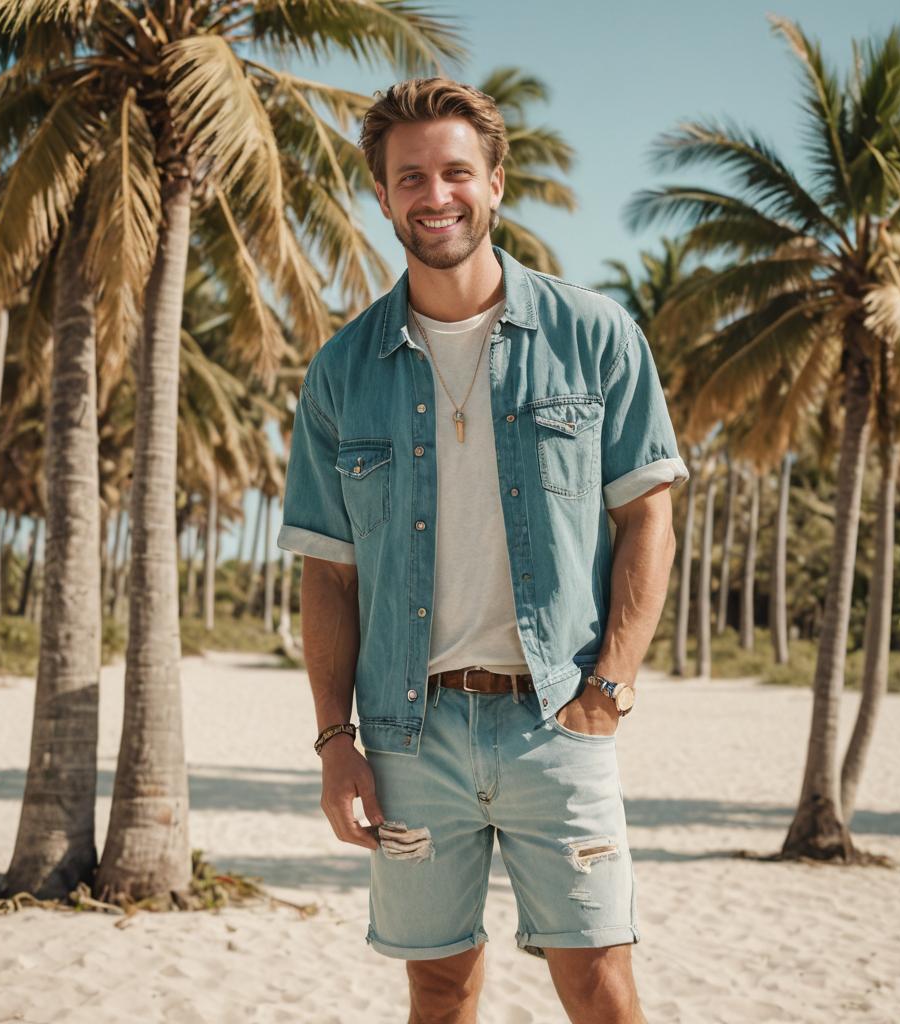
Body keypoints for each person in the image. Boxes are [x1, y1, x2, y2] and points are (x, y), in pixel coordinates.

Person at [278, 77, 689, 1024]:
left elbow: (647, 519)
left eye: (456, 172)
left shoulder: (596, 337)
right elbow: (327, 575)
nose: (436, 196)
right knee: (439, 984)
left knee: (601, 983)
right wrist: (337, 743)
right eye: (410, 177)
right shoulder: (342, 372)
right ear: (381, 196)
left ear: (495, 183)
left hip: (558, 719)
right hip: (408, 736)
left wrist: (611, 685)